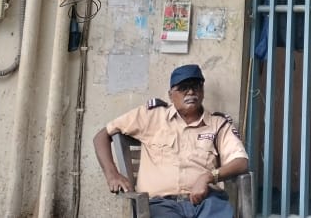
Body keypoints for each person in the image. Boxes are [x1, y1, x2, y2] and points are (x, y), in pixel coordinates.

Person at [93, 63, 250, 217]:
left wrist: (208, 177)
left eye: (196, 86)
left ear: (202, 91)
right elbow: (102, 135)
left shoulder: (218, 124)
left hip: (207, 202)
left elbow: (241, 161)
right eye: (183, 87)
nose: (191, 91)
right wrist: (112, 174)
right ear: (170, 95)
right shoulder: (152, 116)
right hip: (161, 205)